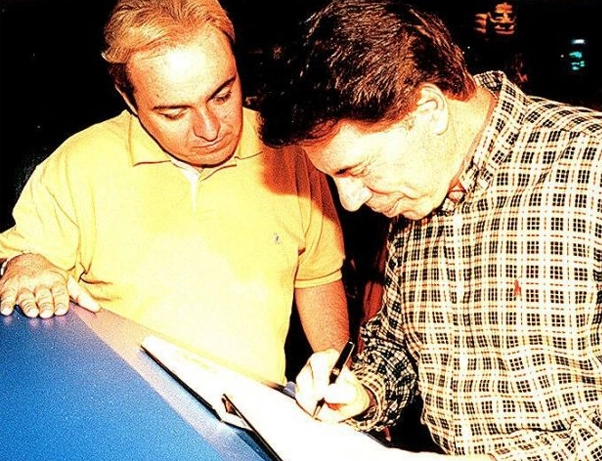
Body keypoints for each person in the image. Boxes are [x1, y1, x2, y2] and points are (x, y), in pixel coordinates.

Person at [256, 0, 602, 458]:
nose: (350, 200)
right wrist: (363, 389)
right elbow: (401, 347)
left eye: (357, 169)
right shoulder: (414, 192)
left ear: (428, 110)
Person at [0, 0, 349, 387]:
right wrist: (24, 264)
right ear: (128, 98)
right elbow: (22, 265)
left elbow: (318, 278)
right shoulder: (78, 164)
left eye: (222, 94)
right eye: (174, 112)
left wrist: (340, 383)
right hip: (125, 407)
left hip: (255, 420)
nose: (210, 128)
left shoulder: (289, 151)